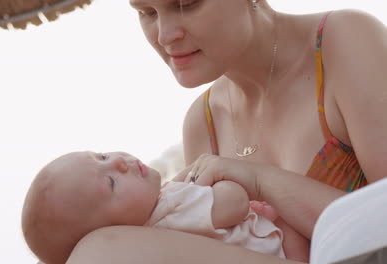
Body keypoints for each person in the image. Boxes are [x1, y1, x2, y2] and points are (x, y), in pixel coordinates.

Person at [67, 0, 387, 263]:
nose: (165, 35)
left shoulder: (343, 41)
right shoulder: (202, 123)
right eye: (146, 13)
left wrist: (260, 180)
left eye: (187, 4)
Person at [22, 151, 307, 264]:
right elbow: (234, 203)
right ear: (113, 231)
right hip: (284, 251)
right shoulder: (170, 209)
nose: (119, 162)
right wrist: (219, 182)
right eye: (110, 182)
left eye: (102, 156)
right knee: (289, 221)